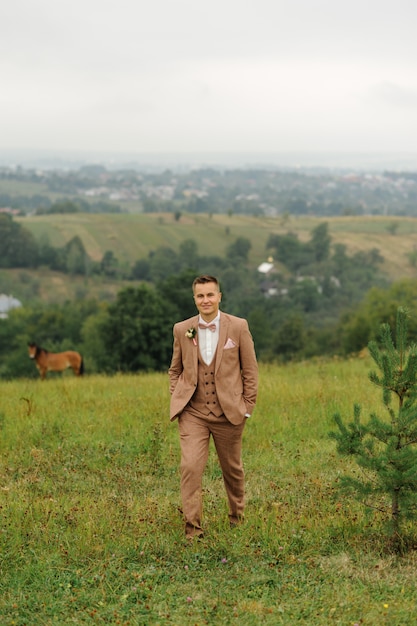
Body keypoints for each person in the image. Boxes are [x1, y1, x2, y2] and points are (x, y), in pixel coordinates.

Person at [168, 275, 258, 540]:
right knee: (190, 467)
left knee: (232, 469)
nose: (205, 300)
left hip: (229, 413)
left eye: (210, 295)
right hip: (193, 413)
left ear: (219, 296)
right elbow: (175, 369)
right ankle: (193, 529)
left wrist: (247, 407)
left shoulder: (239, 327)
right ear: (194, 299)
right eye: (200, 296)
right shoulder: (181, 328)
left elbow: (250, 370)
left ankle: (237, 518)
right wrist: (179, 397)